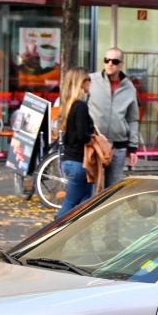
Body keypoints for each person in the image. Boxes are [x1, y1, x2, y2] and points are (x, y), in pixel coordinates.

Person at [87, 47, 139, 187]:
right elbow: (80, 106)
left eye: (115, 61)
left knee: (112, 189)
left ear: (121, 64)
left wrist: (133, 148)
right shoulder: (92, 80)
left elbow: (132, 119)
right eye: (107, 60)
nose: (110, 64)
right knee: (90, 187)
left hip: (117, 145)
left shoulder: (129, 87)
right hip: (94, 143)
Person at [55, 67, 96, 219]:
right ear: (81, 82)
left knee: (84, 204)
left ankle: (79, 237)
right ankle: (51, 234)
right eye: (88, 80)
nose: (90, 83)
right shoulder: (80, 106)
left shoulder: (67, 105)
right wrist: (92, 138)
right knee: (70, 204)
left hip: (70, 160)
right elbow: (82, 136)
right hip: (79, 162)